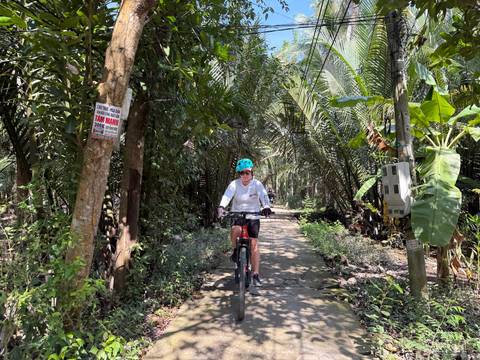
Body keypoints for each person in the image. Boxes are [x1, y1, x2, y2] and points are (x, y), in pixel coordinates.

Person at [217, 158, 271, 294]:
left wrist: (266, 207)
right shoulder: (234, 184)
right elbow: (227, 196)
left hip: (253, 216)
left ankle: (256, 274)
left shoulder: (257, 184)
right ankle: (235, 250)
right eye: (242, 173)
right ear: (239, 174)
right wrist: (222, 206)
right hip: (238, 215)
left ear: (252, 172)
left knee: (253, 244)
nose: (245, 176)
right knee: (235, 229)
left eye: (247, 172)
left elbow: (264, 196)